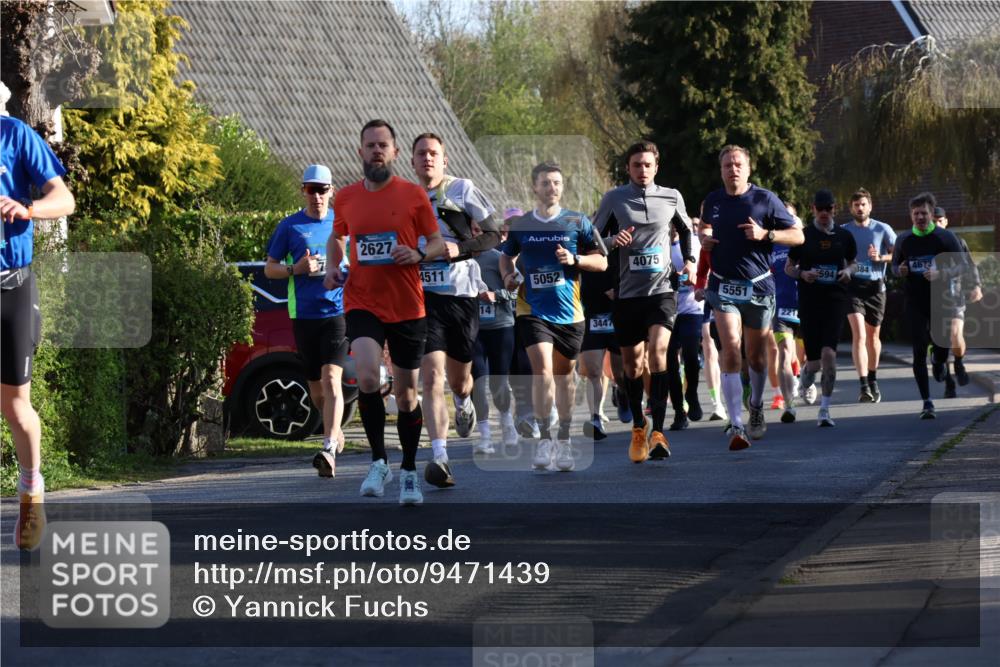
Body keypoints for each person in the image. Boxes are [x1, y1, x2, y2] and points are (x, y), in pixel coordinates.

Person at [325, 119, 445, 505]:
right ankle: (378, 461)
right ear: (360, 152)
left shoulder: (412, 195)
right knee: (365, 375)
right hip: (362, 299)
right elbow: (338, 236)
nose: (377, 151)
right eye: (370, 145)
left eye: (383, 145)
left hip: (408, 303)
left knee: (408, 394)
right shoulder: (344, 197)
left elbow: (438, 241)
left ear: (394, 153)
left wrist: (418, 253)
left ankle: (408, 469)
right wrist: (332, 265)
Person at [500, 162, 607, 472]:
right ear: (535, 187)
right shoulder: (521, 225)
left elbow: (602, 261)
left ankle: (564, 438)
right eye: (546, 183)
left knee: (563, 378)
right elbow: (507, 256)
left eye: (557, 183)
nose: (552, 188)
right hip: (531, 310)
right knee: (542, 370)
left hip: (570, 313)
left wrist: (575, 259)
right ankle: (544, 438)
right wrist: (508, 276)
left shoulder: (577, 221)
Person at [593, 141, 695, 463]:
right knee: (633, 364)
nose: (642, 170)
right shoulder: (614, 198)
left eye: (647, 164)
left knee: (659, 351)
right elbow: (593, 239)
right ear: (628, 168)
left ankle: (659, 432)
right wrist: (612, 241)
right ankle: (639, 426)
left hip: (662, 290)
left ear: (656, 167)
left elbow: (687, 230)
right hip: (627, 295)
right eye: (636, 165)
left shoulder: (671, 196)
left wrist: (690, 261)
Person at [409, 132, 501, 488]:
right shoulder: (406, 197)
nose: (427, 159)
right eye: (421, 154)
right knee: (431, 377)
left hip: (461, 297)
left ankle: (464, 402)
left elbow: (494, 234)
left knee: (459, 379)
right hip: (423, 296)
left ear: (444, 160)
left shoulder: (462, 189)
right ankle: (440, 456)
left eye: (434, 154)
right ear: (413, 161)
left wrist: (459, 249)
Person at [1, 112, 76, 549]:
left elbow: (63, 199)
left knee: (15, 408)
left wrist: (26, 208)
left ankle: (32, 493)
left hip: (11, 283)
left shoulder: (13, 135)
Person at [700, 145, 803, 450]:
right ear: (721, 171)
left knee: (756, 357)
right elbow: (705, 226)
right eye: (727, 165)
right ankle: (735, 423)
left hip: (758, 288)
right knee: (731, 349)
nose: (733, 169)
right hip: (722, 286)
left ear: (748, 169)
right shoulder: (714, 201)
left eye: (738, 164)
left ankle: (755, 406)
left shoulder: (764, 199)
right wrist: (704, 238)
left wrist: (766, 235)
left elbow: (798, 236)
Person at [264, 165, 347, 478]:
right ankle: (335, 432)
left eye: (322, 189)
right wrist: (296, 269)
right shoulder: (290, 227)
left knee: (331, 379)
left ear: (331, 191)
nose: (317, 196)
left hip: (336, 315)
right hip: (304, 316)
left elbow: (357, 265)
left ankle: (327, 448)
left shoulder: (342, 225)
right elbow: (270, 269)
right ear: (303, 191)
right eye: (311, 190)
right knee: (317, 392)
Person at [891, 192, 968, 419]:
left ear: (932, 214)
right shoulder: (904, 239)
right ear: (910, 215)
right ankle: (927, 402)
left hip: (942, 301)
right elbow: (895, 266)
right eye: (916, 214)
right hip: (915, 301)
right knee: (917, 350)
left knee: (942, 346)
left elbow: (963, 266)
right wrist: (900, 271)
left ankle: (939, 358)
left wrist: (941, 272)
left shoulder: (945, 238)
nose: (920, 217)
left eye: (924, 213)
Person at [785, 190, 858, 427]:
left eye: (829, 208)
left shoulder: (844, 236)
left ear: (835, 210)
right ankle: (806, 374)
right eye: (820, 208)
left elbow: (854, 263)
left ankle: (825, 410)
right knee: (815, 362)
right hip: (809, 302)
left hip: (835, 300)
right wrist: (803, 273)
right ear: (813, 209)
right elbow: (789, 267)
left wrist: (848, 272)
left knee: (830, 354)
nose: (825, 213)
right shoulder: (803, 236)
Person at [841, 188, 896, 403]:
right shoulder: (844, 231)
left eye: (863, 204)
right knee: (860, 335)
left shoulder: (883, 229)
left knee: (873, 337)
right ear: (851, 208)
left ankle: (873, 379)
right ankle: (863, 385)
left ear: (870, 206)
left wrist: (881, 257)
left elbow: (898, 254)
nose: (860, 208)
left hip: (875, 288)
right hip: (852, 287)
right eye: (856, 205)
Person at [471, 212, 519, 454]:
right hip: (473, 330)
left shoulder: (499, 258)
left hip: (501, 326)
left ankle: (507, 424)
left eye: (480, 232)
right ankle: (485, 436)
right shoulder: (460, 261)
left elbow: (515, 293)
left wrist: (496, 295)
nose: (475, 236)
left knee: (499, 380)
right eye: (472, 231)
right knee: (478, 381)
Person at [932, 206, 982, 391]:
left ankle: (959, 363)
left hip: (954, 294)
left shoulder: (957, 242)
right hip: (931, 298)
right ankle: (948, 382)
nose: (936, 224)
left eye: (939, 220)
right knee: (941, 341)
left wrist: (976, 285)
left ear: (945, 222)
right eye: (933, 220)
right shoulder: (924, 243)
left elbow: (969, 265)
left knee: (954, 334)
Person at [577, 251, 625, 441]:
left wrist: (618, 291)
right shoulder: (579, 258)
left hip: (617, 317)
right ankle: (595, 418)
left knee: (620, 373)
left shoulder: (616, 256)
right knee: (593, 372)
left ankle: (622, 392)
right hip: (591, 318)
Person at [666, 223, 703, 431]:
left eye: (674, 226)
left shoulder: (694, 244)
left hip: (691, 308)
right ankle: (679, 411)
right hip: (667, 311)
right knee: (670, 361)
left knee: (690, 354)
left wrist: (696, 279)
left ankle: (693, 393)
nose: (671, 230)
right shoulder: (658, 245)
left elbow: (704, 268)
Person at [771, 201, 806, 423]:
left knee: (809, 356)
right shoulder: (771, 246)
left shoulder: (804, 243)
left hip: (806, 305)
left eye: (790, 217)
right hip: (780, 305)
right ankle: (789, 403)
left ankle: (805, 379)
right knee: (784, 352)